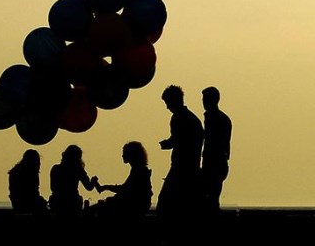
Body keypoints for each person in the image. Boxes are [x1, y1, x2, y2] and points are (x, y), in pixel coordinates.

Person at [156, 85, 204, 216]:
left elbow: (179, 140)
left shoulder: (178, 118)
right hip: (192, 167)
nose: (167, 107)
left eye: (167, 103)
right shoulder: (193, 119)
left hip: (181, 168)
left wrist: (167, 144)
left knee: (165, 204)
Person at [88, 141, 153, 215]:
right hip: (137, 204)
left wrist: (106, 187)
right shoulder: (138, 169)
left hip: (135, 206)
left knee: (94, 210)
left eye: (125, 153)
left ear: (131, 154)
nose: (122, 155)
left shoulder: (139, 170)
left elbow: (125, 189)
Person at [201, 86, 232, 212]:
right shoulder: (222, 119)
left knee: (210, 198)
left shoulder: (215, 119)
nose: (203, 102)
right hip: (218, 162)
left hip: (214, 162)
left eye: (205, 99)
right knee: (211, 197)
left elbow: (215, 142)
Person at [48, 145, 96, 215]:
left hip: (57, 203)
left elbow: (52, 188)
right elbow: (89, 187)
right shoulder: (78, 170)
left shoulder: (55, 169)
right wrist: (93, 181)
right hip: (73, 203)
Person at [8, 149, 48, 214]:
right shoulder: (31, 173)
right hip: (26, 203)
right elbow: (32, 193)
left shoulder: (15, 172)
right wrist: (41, 201)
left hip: (17, 203)